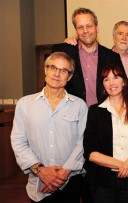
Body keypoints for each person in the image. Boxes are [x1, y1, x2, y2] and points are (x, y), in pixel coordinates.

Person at [10, 52, 88, 203]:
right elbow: (19, 141)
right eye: (53, 67)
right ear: (45, 70)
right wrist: (41, 171)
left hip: (70, 182)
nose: (57, 74)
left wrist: (64, 172)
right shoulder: (25, 104)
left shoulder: (79, 106)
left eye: (63, 70)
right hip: (39, 182)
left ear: (69, 76)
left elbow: (82, 142)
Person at [83, 65, 128, 203]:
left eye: (116, 77)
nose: (111, 83)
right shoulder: (95, 111)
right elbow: (91, 153)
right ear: (103, 85)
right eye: (106, 79)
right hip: (103, 181)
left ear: (124, 82)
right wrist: (124, 165)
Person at [52, 8, 126, 107]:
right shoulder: (63, 51)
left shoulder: (112, 57)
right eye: (80, 27)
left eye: (89, 26)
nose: (85, 31)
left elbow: (123, 89)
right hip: (70, 116)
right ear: (76, 31)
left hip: (102, 116)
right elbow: (51, 86)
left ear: (97, 28)